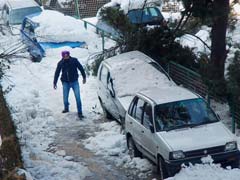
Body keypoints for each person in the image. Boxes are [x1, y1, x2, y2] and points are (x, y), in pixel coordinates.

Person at [53, 50, 86, 119]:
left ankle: (80, 112)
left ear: (69, 55)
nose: (66, 57)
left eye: (67, 55)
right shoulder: (60, 63)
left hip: (74, 82)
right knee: (65, 98)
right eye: (64, 56)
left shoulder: (74, 60)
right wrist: (55, 82)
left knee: (78, 97)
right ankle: (66, 108)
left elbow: (81, 68)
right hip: (65, 82)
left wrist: (84, 77)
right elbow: (57, 73)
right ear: (62, 56)